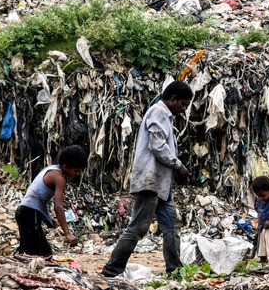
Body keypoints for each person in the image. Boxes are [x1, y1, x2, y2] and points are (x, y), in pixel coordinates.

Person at [102, 81, 192, 278]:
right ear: (173, 99)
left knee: (171, 226)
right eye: (183, 104)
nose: (183, 109)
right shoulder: (158, 112)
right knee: (138, 227)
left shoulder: (165, 116)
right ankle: (111, 271)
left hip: (160, 185)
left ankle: (175, 272)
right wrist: (178, 165)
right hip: (150, 181)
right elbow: (157, 146)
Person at [15, 145, 87, 257]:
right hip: (29, 213)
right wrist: (67, 233)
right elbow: (58, 206)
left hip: (25, 211)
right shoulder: (59, 178)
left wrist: (47, 216)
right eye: (76, 171)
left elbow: (37, 197)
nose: (77, 174)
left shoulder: (51, 169)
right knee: (35, 254)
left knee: (42, 252)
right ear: (65, 166)